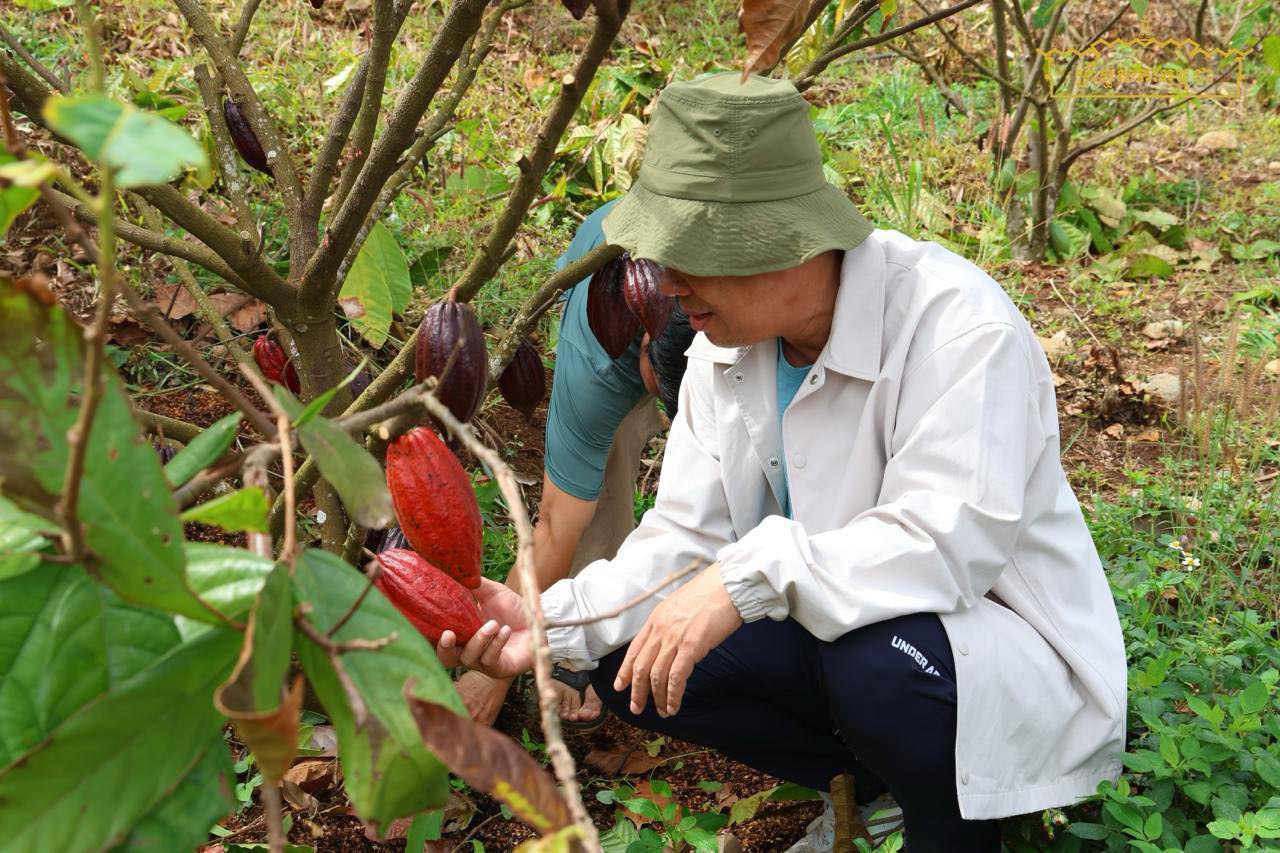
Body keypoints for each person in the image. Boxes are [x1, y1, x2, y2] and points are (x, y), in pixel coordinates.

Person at [435, 72, 1127, 852]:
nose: (666, 282)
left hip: (983, 653)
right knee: (626, 653)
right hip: (849, 636)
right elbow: (682, 540)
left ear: (779, 238)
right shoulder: (724, 350)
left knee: (875, 664)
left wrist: (743, 576)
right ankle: (877, 787)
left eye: (688, 253)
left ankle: (955, 826)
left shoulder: (957, 326)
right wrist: (551, 622)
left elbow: (944, 547)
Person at [455, 200, 696, 729]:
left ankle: (587, 626)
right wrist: (494, 673)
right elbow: (554, 526)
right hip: (612, 306)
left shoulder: (750, 313)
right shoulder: (600, 364)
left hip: (705, 273)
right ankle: (569, 645)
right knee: (587, 493)